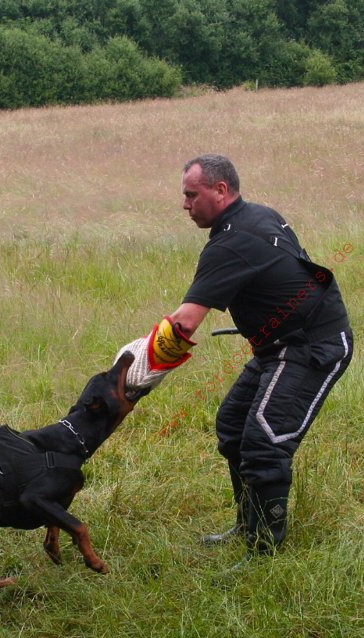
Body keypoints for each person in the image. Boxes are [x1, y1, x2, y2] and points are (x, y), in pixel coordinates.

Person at [118, 153, 353, 567]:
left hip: (312, 346)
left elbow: (185, 324)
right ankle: (249, 523)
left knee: (265, 443)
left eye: (192, 195)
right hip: (275, 346)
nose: (185, 205)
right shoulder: (257, 216)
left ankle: (264, 552)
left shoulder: (231, 243)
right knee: (232, 427)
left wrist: (131, 375)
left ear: (220, 190)